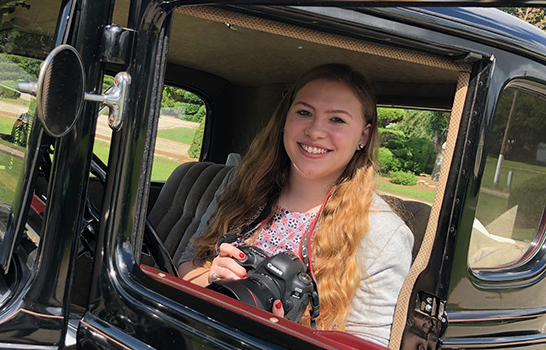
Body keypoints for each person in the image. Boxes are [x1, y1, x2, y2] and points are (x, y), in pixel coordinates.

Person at [177, 63, 413, 346]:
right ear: (285, 120)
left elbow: (368, 343)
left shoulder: (383, 234)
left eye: (337, 120)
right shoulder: (243, 189)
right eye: (304, 113)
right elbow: (186, 264)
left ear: (363, 135)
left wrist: (291, 330)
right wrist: (212, 278)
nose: (315, 131)